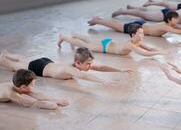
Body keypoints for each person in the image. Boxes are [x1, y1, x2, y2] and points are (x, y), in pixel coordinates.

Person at [0, 49, 132, 84]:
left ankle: (8, 54)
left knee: (24, 61)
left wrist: (121, 70)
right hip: (40, 67)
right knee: (13, 66)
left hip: (46, 62)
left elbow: (101, 67)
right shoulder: (72, 69)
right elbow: (84, 76)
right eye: (88, 64)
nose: (90, 66)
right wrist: (103, 82)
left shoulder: (79, 64)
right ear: (78, 63)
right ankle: (4, 58)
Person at [58, 24, 167, 56]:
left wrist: (159, 50)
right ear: (133, 35)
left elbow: (149, 49)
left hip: (110, 43)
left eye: (143, 33)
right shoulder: (130, 44)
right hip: (106, 47)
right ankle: (63, 37)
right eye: (140, 34)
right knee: (84, 45)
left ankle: (75, 34)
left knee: (90, 40)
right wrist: (159, 53)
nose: (143, 35)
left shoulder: (137, 42)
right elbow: (143, 53)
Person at [88, 12, 181, 37]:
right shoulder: (164, 26)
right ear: (170, 20)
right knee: (115, 26)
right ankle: (96, 20)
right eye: (175, 19)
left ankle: (99, 18)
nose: (177, 22)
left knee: (116, 24)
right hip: (134, 28)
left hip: (142, 25)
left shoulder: (169, 25)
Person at [0, 69, 68, 109]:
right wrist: (45, 105)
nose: (34, 86)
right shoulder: (11, 93)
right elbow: (27, 102)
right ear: (23, 87)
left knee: (30, 91)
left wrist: (55, 100)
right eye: (32, 84)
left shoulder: (18, 85)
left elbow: (36, 94)